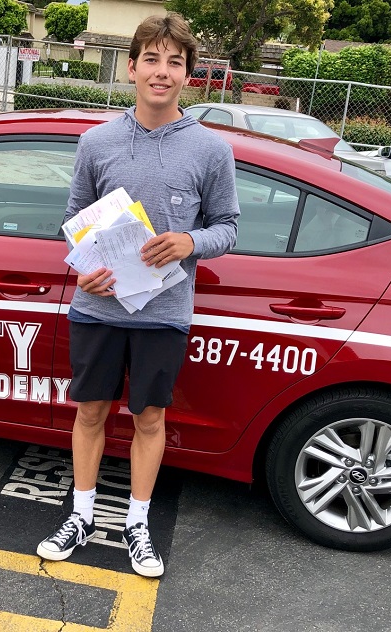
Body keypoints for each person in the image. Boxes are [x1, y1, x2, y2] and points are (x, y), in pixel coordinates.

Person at [36, 13, 240, 578]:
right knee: (92, 410)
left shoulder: (210, 150)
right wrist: (84, 268)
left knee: (149, 418)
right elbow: (73, 220)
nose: (162, 72)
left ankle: (137, 523)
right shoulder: (96, 141)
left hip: (165, 312)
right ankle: (79, 516)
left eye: (175, 62)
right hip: (98, 306)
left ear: (188, 75)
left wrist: (188, 241)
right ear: (131, 67)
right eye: (151, 59)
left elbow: (228, 226)